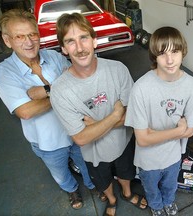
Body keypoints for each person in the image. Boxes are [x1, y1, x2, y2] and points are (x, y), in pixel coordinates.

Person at [0, 9, 96, 210]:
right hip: (47, 141)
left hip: (76, 130)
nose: (29, 42)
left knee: (86, 162)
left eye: (32, 34)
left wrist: (45, 91)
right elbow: (26, 111)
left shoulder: (53, 56)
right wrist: (57, 89)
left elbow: (76, 81)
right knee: (59, 171)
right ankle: (71, 189)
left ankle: (94, 184)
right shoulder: (4, 72)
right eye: (19, 36)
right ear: (7, 40)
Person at [50, 13, 147, 216]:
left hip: (123, 142)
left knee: (126, 173)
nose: (79, 47)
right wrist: (114, 116)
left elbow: (133, 114)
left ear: (94, 40)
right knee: (103, 182)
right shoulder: (60, 90)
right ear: (63, 49)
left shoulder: (118, 70)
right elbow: (81, 137)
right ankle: (112, 200)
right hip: (94, 153)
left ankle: (127, 194)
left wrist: (95, 124)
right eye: (70, 41)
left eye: (84, 37)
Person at [125, 26, 193, 216]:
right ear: (154, 56)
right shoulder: (140, 89)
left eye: (174, 51)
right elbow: (142, 139)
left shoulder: (192, 85)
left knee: (170, 187)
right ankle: (157, 208)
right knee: (151, 189)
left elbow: (190, 130)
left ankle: (167, 203)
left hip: (174, 156)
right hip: (147, 159)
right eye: (162, 53)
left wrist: (154, 134)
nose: (169, 60)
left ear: (182, 51)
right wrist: (177, 131)